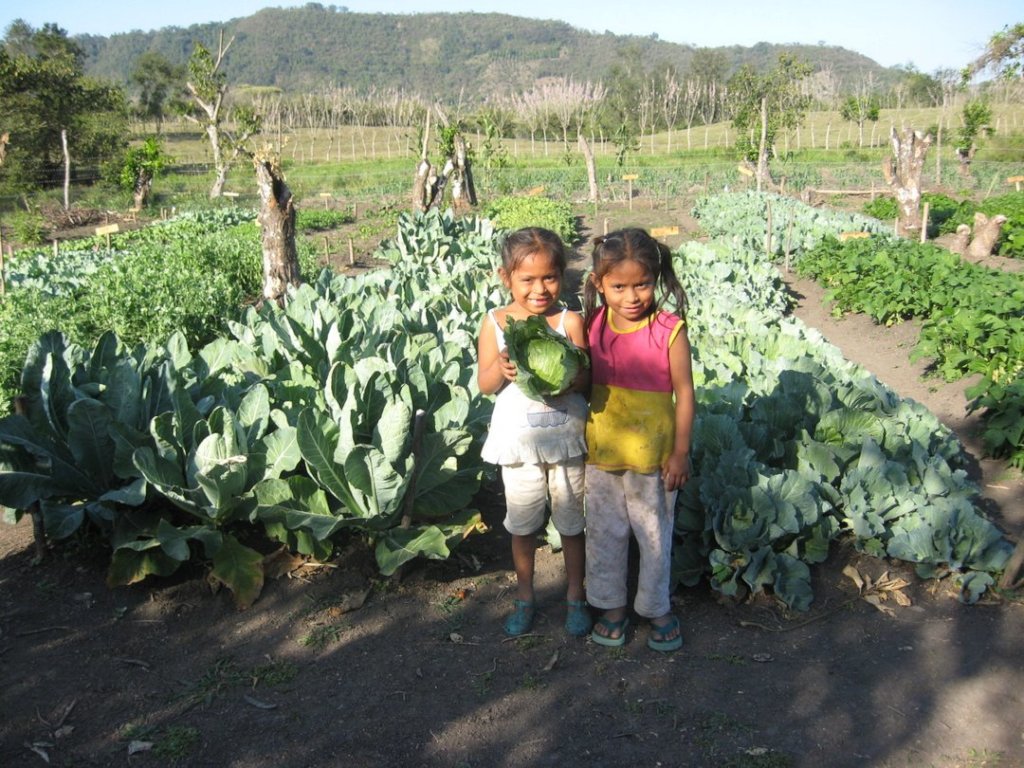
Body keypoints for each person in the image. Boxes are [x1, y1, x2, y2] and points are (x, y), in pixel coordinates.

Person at [582, 227, 695, 652]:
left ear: (657, 279)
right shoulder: (593, 325)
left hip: (656, 458)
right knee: (605, 535)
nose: (632, 297)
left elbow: (685, 393)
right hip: (602, 455)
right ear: (599, 284)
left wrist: (680, 452)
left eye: (642, 284)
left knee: (653, 535)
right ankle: (611, 607)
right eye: (619, 287)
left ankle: (656, 607)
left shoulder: (669, 329)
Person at [477, 227, 592, 637]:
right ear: (505, 277)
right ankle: (525, 596)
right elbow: (485, 383)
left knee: (572, 523)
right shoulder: (495, 322)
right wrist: (503, 369)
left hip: (566, 442)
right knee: (522, 526)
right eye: (527, 279)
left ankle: (575, 597)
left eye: (550, 277)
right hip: (518, 447)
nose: (540, 288)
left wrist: (572, 378)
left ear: (562, 276)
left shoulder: (569, 321)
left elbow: (586, 380)